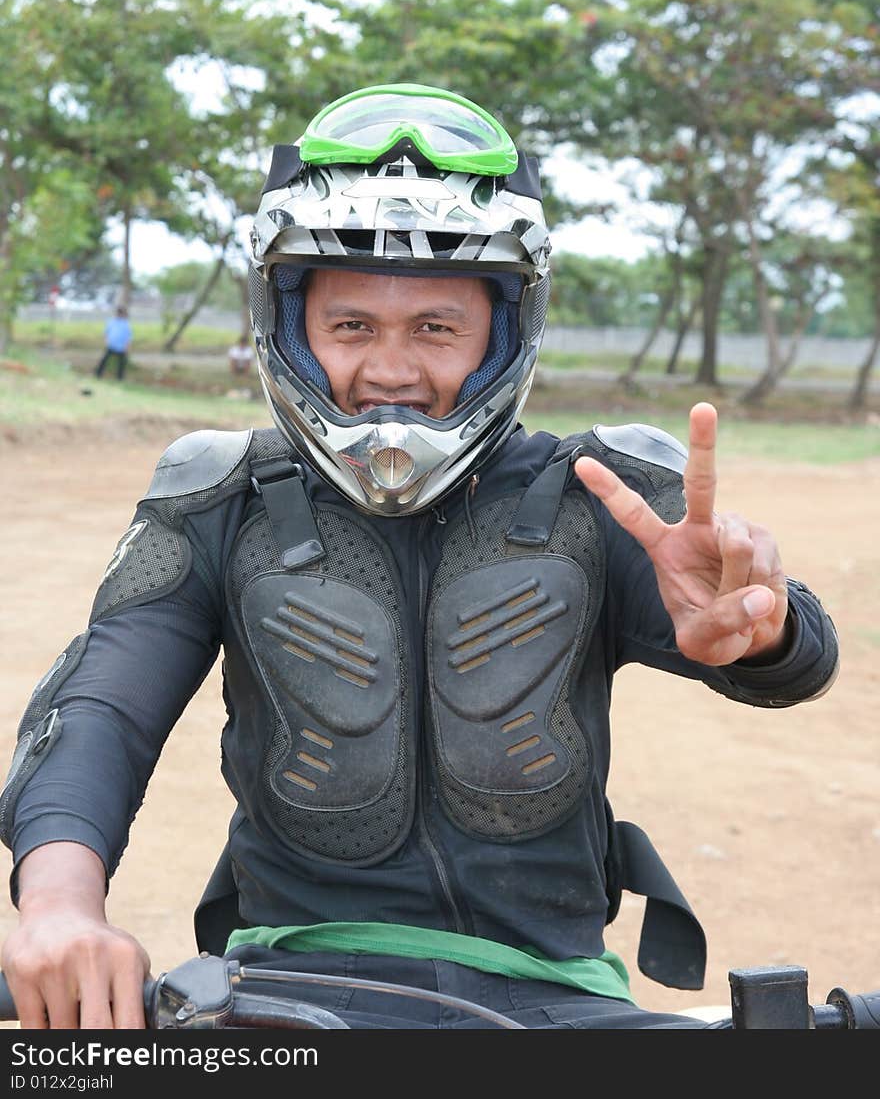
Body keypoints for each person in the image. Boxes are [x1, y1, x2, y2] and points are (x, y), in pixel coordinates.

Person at [0, 84, 839, 1031]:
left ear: (503, 334)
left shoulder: (599, 491)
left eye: (436, 328)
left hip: (563, 996)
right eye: (351, 325)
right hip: (290, 989)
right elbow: (102, 707)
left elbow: (794, 659)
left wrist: (761, 629)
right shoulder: (218, 496)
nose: (392, 369)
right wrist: (60, 907)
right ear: (291, 328)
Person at [94, 305, 132, 381]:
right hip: (111, 345)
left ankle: (119, 378)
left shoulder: (126, 324)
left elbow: (128, 337)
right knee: (104, 360)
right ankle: (98, 374)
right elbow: (106, 333)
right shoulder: (112, 322)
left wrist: (127, 347)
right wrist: (106, 342)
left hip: (121, 347)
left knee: (122, 363)